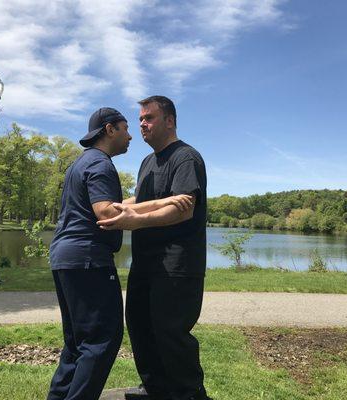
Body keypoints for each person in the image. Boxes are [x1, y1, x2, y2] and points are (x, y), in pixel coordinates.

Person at [47, 107, 194, 400]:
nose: (131, 135)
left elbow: (106, 202)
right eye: (126, 128)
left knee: (77, 343)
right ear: (109, 129)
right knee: (102, 340)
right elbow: (104, 212)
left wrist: (145, 201)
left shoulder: (82, 163)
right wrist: (162, 203)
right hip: (88, 260)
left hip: (66, 257)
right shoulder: (101, 164)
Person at [98, 96, 209, 400]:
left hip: (177, 265)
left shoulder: (185, 157)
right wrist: (119, 208)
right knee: (140, 327)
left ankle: (189, 395)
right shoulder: (148, 162)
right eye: (140, 120)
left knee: (170, 334)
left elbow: (184, 208)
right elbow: (145, 200)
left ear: (169, 121)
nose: (142, 125)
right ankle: (156, 389)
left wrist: (136, 222)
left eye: (149, 118)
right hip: (145, 264)